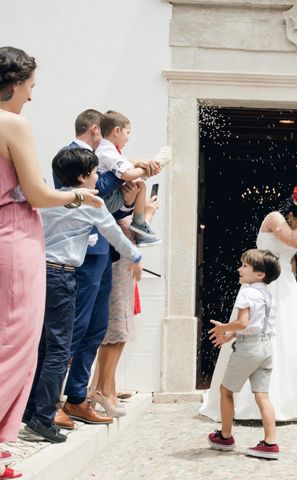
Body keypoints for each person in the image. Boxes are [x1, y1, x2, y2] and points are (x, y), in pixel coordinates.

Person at [0, 46, 101, 479]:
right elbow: (38, 195)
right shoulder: (12, 123)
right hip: (15, 236)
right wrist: (80, 195)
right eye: (30, 86)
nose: (31, 96)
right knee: (16, 345)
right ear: (14, 82)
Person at [23, 148, 143, 444]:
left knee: (42, 345)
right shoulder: (92, 202)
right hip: (63, 275)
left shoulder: (49, 198)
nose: (96, 179)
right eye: (93, 174)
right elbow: (114, 234)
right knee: (59, 350)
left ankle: (29, 410)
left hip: (41, 273)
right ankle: (42, 418)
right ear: (82, 177)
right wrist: (136, 256)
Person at [200, 183, 297, 421]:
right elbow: (291, 241)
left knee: (290, 341)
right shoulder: (274, 218)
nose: (296, 224)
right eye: (295, 220)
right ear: (290, 214)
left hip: (286, 288)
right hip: (265, 284)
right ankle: (247, 404)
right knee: (257, 332)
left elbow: (290, 260)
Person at [90, 188, 158, 417]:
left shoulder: (123, 214)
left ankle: (102, 388)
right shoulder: (113, 215)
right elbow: (137, 238)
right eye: (132, 187)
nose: (135, 191)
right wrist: (146, 215)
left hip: (125, 276)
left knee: (118, 333)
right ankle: (102, 389)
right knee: (115, 331)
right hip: (116, 274)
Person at [207, 249, 282, 460]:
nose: (239, 269)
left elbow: (243, 323)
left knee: (226, 390)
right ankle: (270, 443)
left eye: (245, 266)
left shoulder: (247, 292)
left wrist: (224, 329)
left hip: (248, 348)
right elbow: (256, 326)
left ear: (260, 274)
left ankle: (225, 436)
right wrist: (230, 335)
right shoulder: (268, 296)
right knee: (262, 396)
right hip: (266, 348)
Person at [95, 110, 161, 247]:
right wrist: (145, 170)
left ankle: (139, 223)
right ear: (117, 131)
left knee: (139, 184)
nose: (128, 138)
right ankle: (139, 223)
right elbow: (127, 174)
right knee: (140, 184)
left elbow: (129, 165)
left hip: (107, 198)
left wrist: (142, 163)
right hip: (108, 201)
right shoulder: (108, 152)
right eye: (128, 132)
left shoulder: (108, 149)